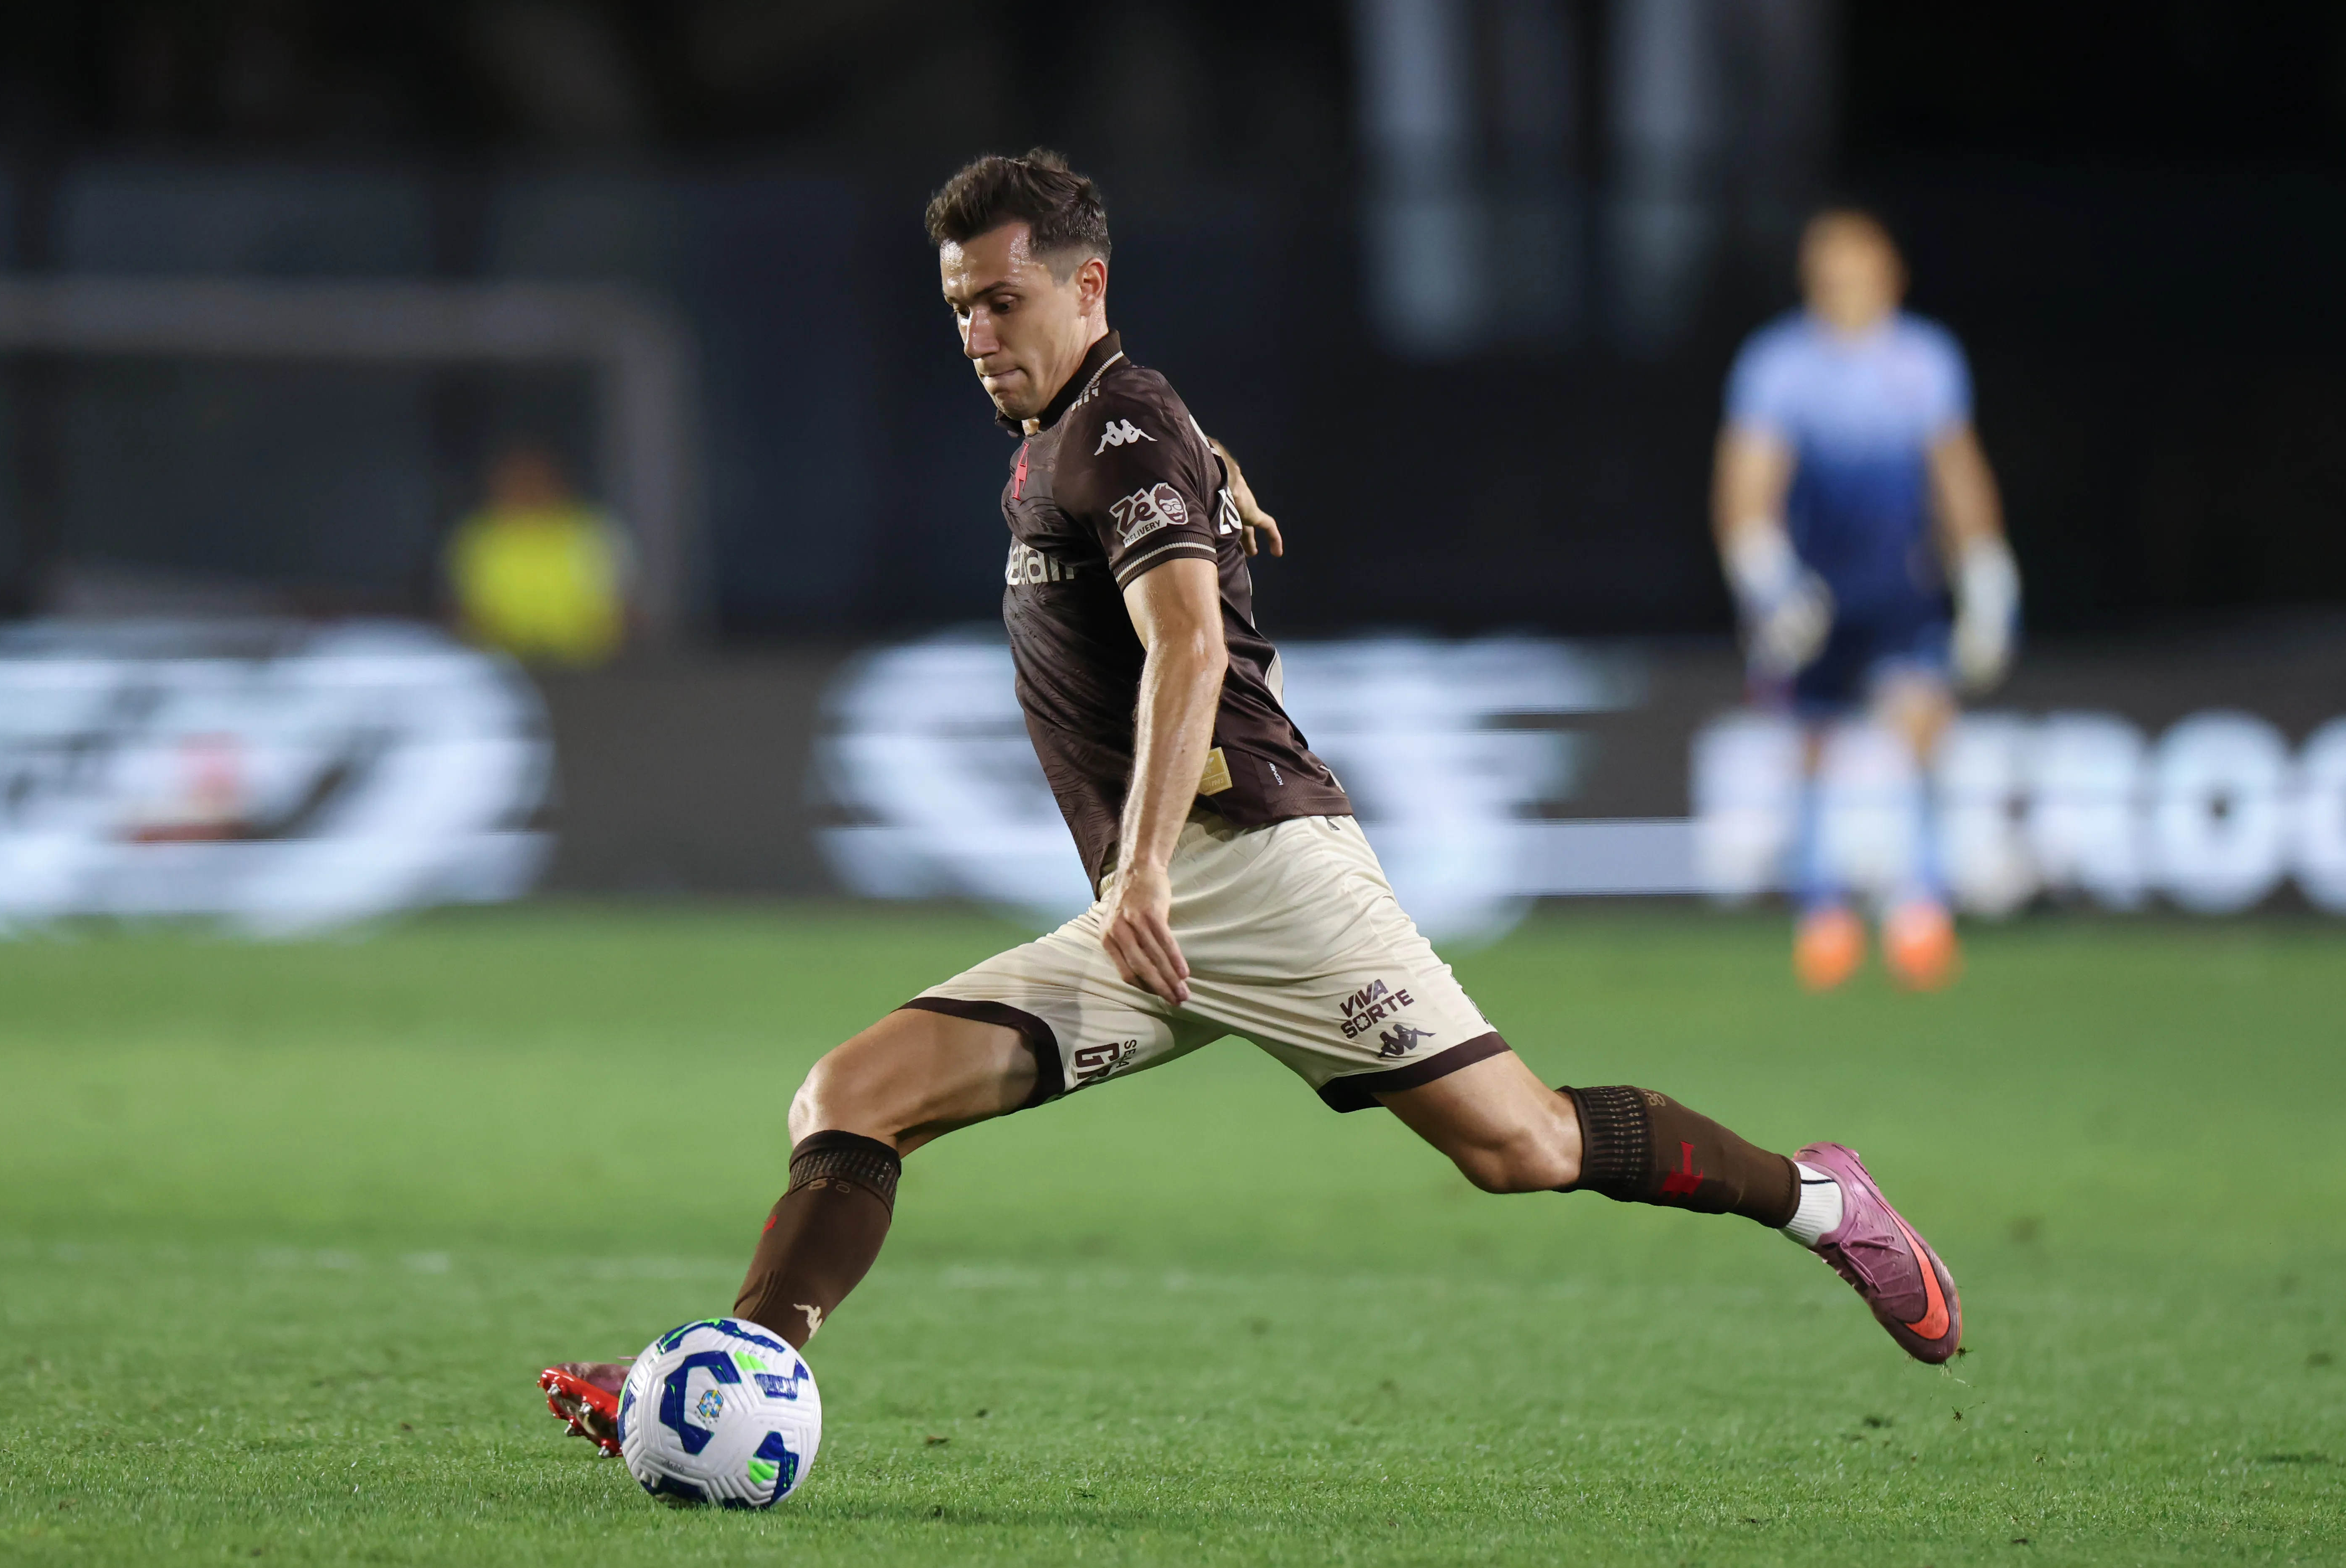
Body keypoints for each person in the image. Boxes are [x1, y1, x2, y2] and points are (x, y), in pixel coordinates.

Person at [541, 152, 1962, 1456]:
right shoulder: (1079, 435)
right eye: (958, 306)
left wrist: (1147, 866)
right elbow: (1155, 487)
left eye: (1001, 298)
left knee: (1519, 1146)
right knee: (851, 1093)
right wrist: (1210, 489)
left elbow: (1187, 644)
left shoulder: (1117, 427)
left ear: (1084, 284)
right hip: (1151, 908)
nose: (976, 330)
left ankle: (1821, 1199)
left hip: (1257, 874)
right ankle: (729, 1372)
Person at [1712, 209, 2017, 992]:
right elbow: (1744, 489)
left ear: (1890, 275)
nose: (1843, 287)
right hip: (1810, 591)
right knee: (1811, 743)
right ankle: (1822, 913)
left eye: (1858, 269)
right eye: (1829, 272)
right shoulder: (1778, 365)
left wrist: (1984, 575)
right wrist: (1768, 583)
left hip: (1899, 585)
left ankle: (1920, 909)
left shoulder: (1923, 360)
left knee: (1919, 727)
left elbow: (1955, 475)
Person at [445, 443, 633, 667]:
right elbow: (461, 611)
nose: (527, 487)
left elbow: (623, 608)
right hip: (502, 670)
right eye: (517, 480)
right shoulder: (477, 537)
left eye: (536, 479)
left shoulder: (591, 531)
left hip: (588, 670)